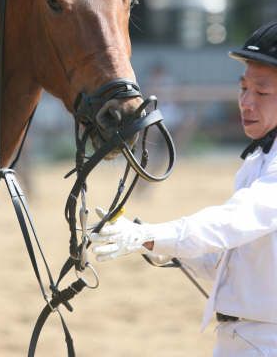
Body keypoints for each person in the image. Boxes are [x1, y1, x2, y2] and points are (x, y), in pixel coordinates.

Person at [90, 21, 277, 356]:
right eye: (243, 88)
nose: (246, 102)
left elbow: (230, 223)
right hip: (242, 338)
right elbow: (231, 262)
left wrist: (152, 234)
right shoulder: (258, 158)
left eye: (261, 92)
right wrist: (146, 238)